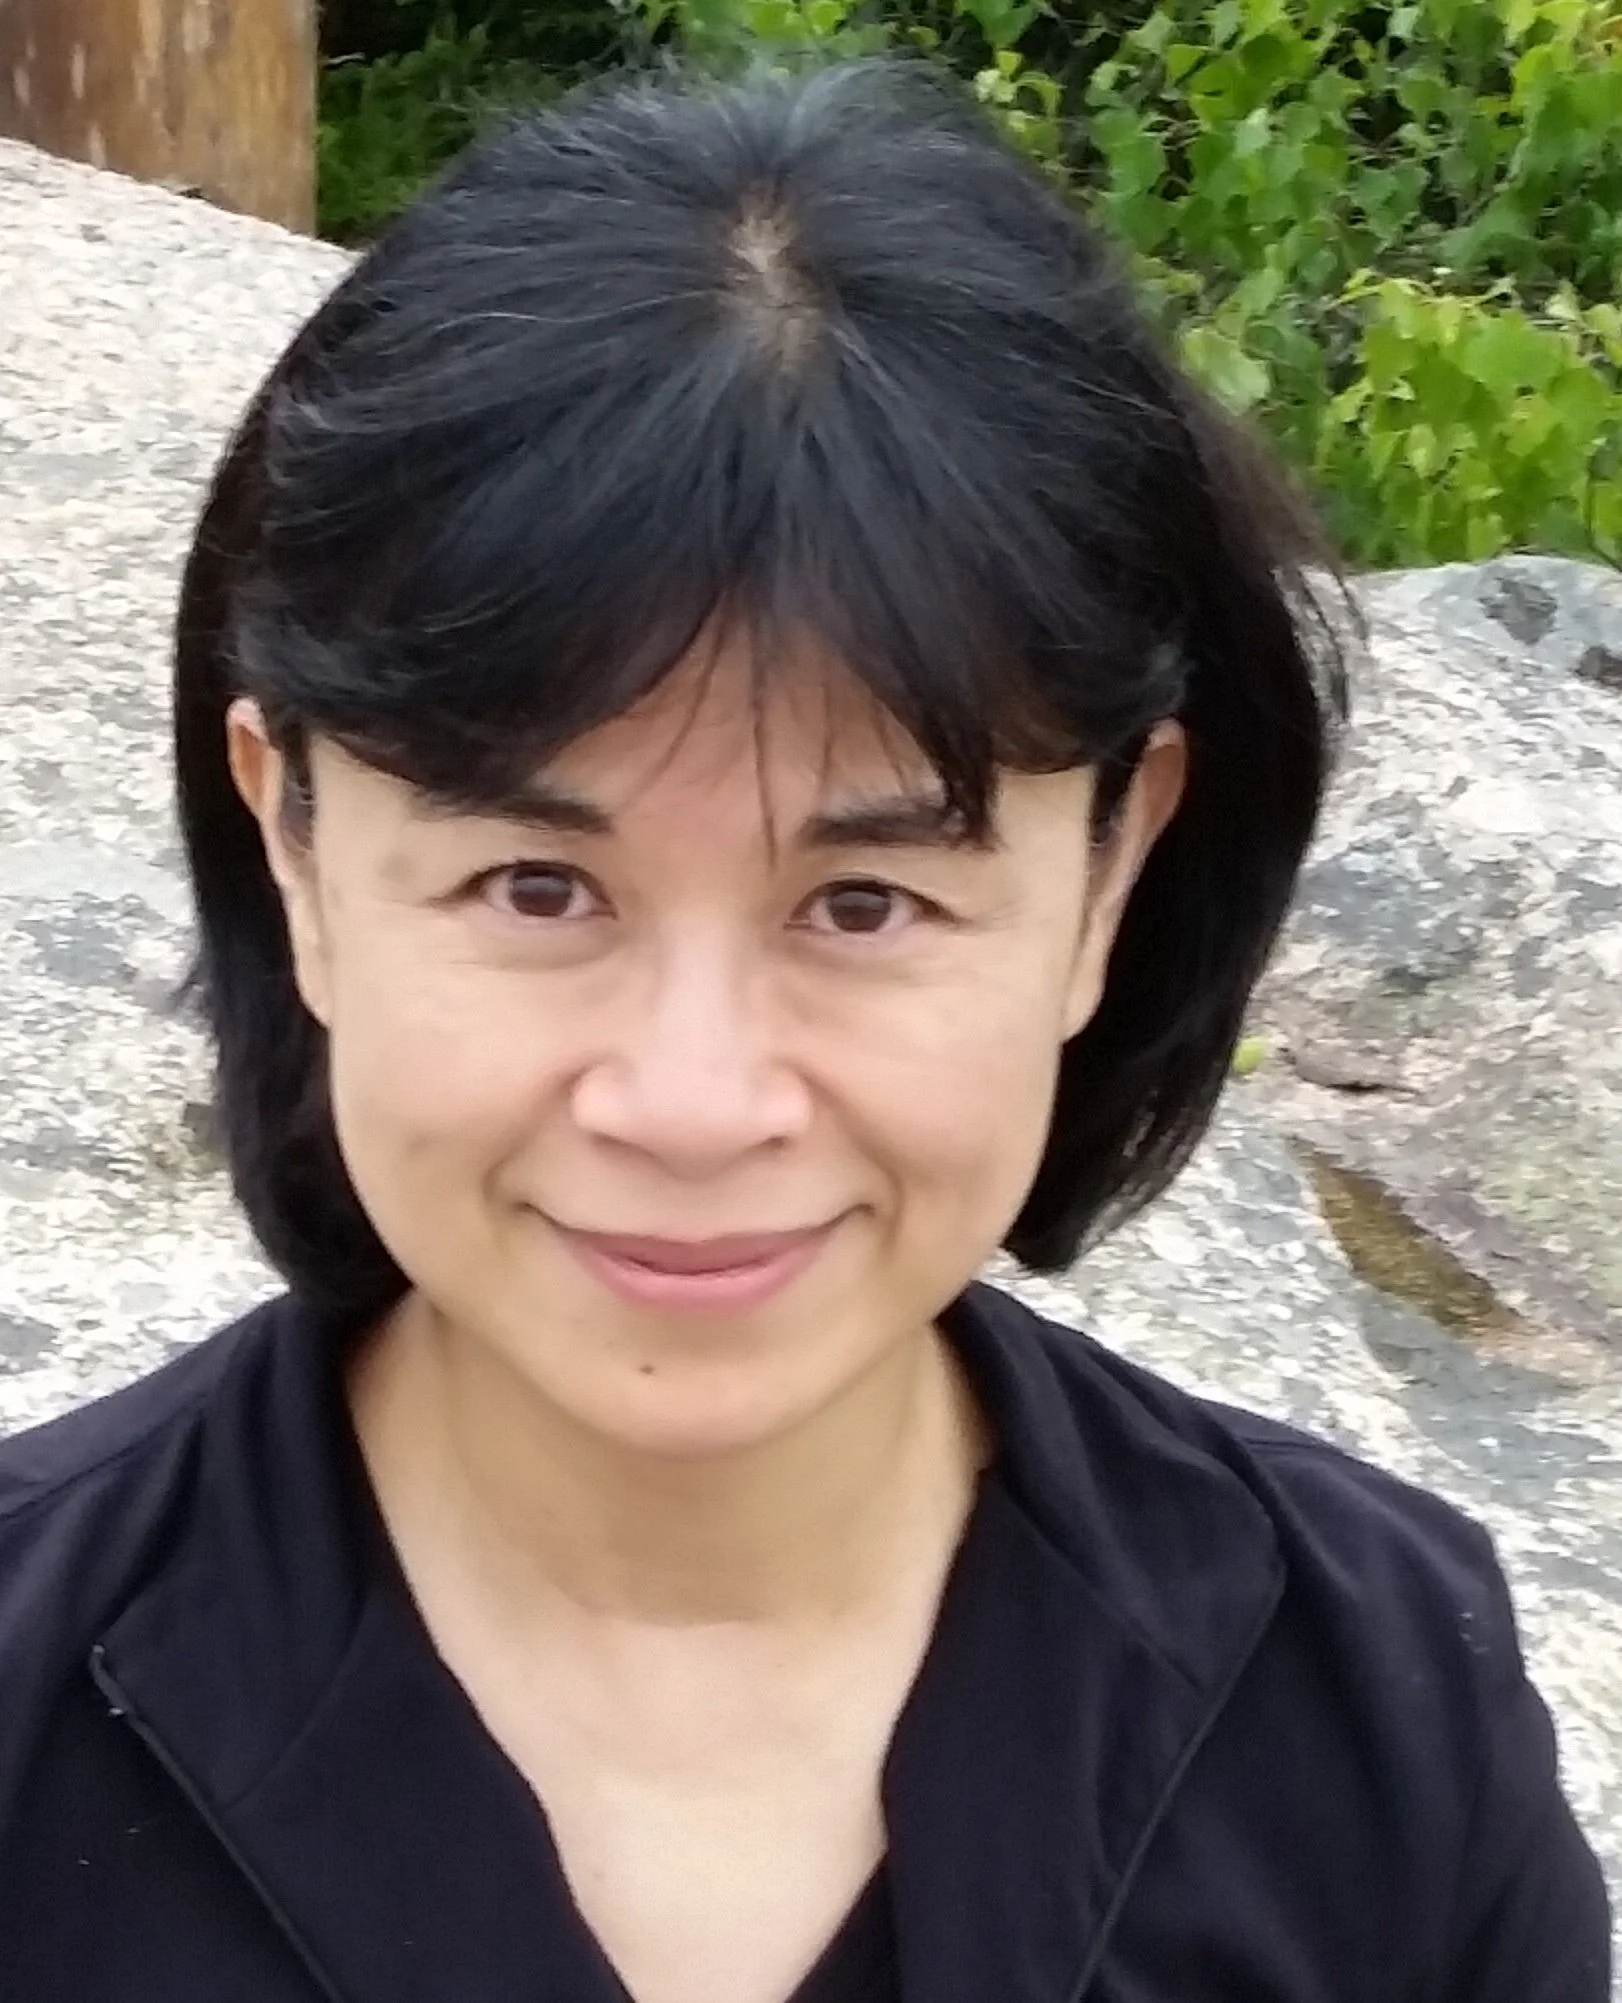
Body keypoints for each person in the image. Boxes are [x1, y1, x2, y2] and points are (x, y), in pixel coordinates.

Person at [0, 54, 1608, 2003]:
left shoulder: (1375, 1724)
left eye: (863, 902)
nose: (694, 1100)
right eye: (536, 885)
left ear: (1111, 868)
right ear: (296, 846)